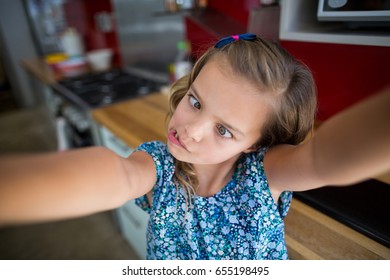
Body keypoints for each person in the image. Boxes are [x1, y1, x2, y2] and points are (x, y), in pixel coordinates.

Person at [0, 34, 389, 260]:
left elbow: (324, 158)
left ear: (257, 144)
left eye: (225, 130)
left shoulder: (264, 175)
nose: (192, 130)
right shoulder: (156, 166)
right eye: (197, 102)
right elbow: (116, 175)